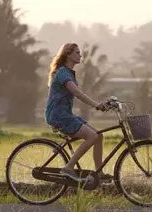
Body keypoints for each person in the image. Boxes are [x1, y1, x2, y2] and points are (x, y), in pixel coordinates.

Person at [45, 43, 112, 183]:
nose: (80, 55)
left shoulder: (68, 73)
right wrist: (96, 105)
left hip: (66, 114)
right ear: (68, 55)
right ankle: (68, 168)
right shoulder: (63, 73)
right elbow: (76, 92)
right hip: (59, 115)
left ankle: (98, 173)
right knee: (92, 136)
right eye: (77, 53)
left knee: (98, 136)